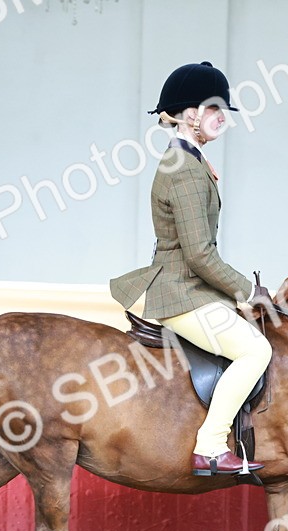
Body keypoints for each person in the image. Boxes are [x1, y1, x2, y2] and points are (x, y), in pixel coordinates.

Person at [110, 61, 273, 477]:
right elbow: (199, 254)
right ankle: (212, 446)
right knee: (256, 350)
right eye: (213, 107)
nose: (222, 117)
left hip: (189, 284)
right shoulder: (184, 169)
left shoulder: (190, 160)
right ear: (188, 114)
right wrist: (247, 291)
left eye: (224, 109)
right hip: (180, 290)